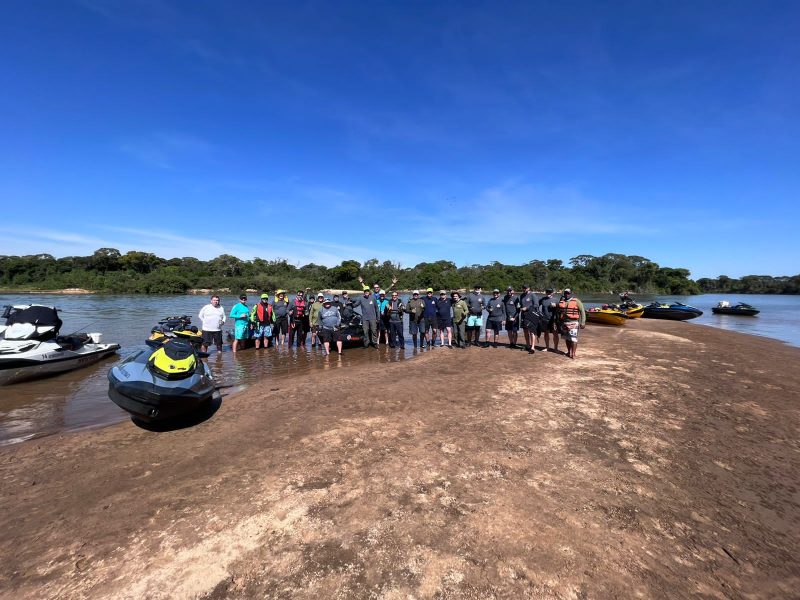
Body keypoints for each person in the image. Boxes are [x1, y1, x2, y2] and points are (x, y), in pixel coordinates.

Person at [555, 288, 586, 359]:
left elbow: (582, 311)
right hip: (564, 322)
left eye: (568, 293)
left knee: (573, 339)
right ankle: (569, 352)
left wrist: (582, 322)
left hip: (574, 322)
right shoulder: (562, 301)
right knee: (567, 338)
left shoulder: (577, 301)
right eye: (565, 293)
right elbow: (558, 312)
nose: (567, 294)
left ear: (571, 294)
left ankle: (573, 354)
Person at [518, 284, 540, 354]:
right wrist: (519, 307)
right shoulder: (521, 295)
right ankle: (527, 345)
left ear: (529, 288)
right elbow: (520, 305)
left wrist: (527, 308)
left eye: (525, 288)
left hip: (531, 315)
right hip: (524, 315)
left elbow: (536, 305)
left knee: (531, 331)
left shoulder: (532, 295)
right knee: (525, 331)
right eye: (523, 288)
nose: (524, 289)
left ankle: (532, 347)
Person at [538, 287, 559, 353]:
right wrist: (539, 314)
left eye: (550, 292)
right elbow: (536, 305)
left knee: (555, 333)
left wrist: (556, 306)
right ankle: (547, 347)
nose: (548, 293)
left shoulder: (556, 300)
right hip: (544, 319)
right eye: (547, 292)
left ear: (552, 293)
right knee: (546, 333)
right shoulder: (542, 299)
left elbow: (560, 309)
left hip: (553, 319)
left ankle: (555, 348)